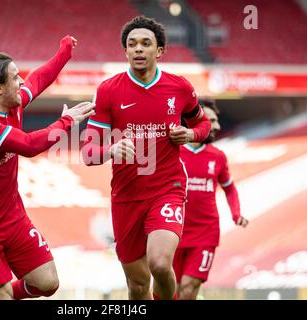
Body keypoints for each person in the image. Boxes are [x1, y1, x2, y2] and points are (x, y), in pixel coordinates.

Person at [0, 35, 95, 300]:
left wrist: (64, 52)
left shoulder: (10, 103)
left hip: (12, 219)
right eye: (15, 78)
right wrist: (66, 122)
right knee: (0, 295)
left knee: (48, 283)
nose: (22, 82)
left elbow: (38, 80)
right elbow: (28, 145)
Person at [81, 16, 211, 300]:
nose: (138, 49)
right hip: (126, 196)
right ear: (125, 51)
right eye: (132, 44)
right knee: (138, 286)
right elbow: (88, 153)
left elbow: (203, 125)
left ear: (160, 51)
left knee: (160, 264)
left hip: (168, 190)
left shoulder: (179, 88)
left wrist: (190, 135)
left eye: (145, 43)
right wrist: (110, 150)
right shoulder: (108, 91)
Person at [173, 99, 249, 300]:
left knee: (188, 288)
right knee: (169, 291)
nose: (217, 126)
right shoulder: (173, 151)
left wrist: (236, 214)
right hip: (172, 232)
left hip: (205, 234)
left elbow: (229, 188)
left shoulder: (218, 156)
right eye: (211, 120)